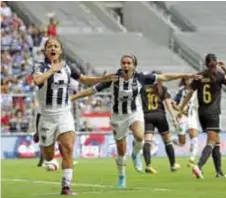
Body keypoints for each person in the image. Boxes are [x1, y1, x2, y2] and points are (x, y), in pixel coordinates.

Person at [71, 53, 201, 188]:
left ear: (134, 65)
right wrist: (73, 98)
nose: (126, 65)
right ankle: (122, 176)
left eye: (129, 63)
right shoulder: (113, 78)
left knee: (140, 137)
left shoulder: (141, 77)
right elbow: (92, 90)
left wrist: (186, 75)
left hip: (134, 112)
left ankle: (135, 155)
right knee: (121, 151)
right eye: (123, 63)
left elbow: (164, 77)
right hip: (118, 116)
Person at [32, 38, 116, 195]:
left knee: (68, 148)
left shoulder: (68, 68)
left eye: (56, 46)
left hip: (64, 113)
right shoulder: (40, 66)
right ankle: (47, 148)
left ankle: (66, 186)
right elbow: (37, 81)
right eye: (49, 46)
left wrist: (102, 79)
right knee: (48, 156)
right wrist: (52, 69)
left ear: (60, 51)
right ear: (45, 51)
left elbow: (84, 79)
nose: (53, 48)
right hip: (47, 115)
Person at [180, 54, 226, 179]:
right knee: (211, 141)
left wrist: (182, 108)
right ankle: (198, 166)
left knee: (216, 141)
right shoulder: (219, 75)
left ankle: (219, 172)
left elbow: (189, 93)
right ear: (216, 62)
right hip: (213, 113)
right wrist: (225, 69)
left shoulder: (199, 76)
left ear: (205, 64)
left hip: (202, 113)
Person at [141, 74, 180, 174]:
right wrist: (173, 118)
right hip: (160, 116)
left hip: (147, 116)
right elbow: (168, 104)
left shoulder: (142, 89)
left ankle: (148, 165)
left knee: (147, 141)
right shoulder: (162, 88)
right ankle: (173, 164)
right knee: (167, 141)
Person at [172, 78, 199, 166]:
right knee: (182, 143)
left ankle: (191, 159)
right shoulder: (181, 91)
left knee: (194, 138)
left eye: (191, 80)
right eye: (188, 80)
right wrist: (181, 111)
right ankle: (172, 139)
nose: (190, 81)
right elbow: (173, 104)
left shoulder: (196, 90)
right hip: (182, 116)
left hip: (192, 116)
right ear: (185, 81)